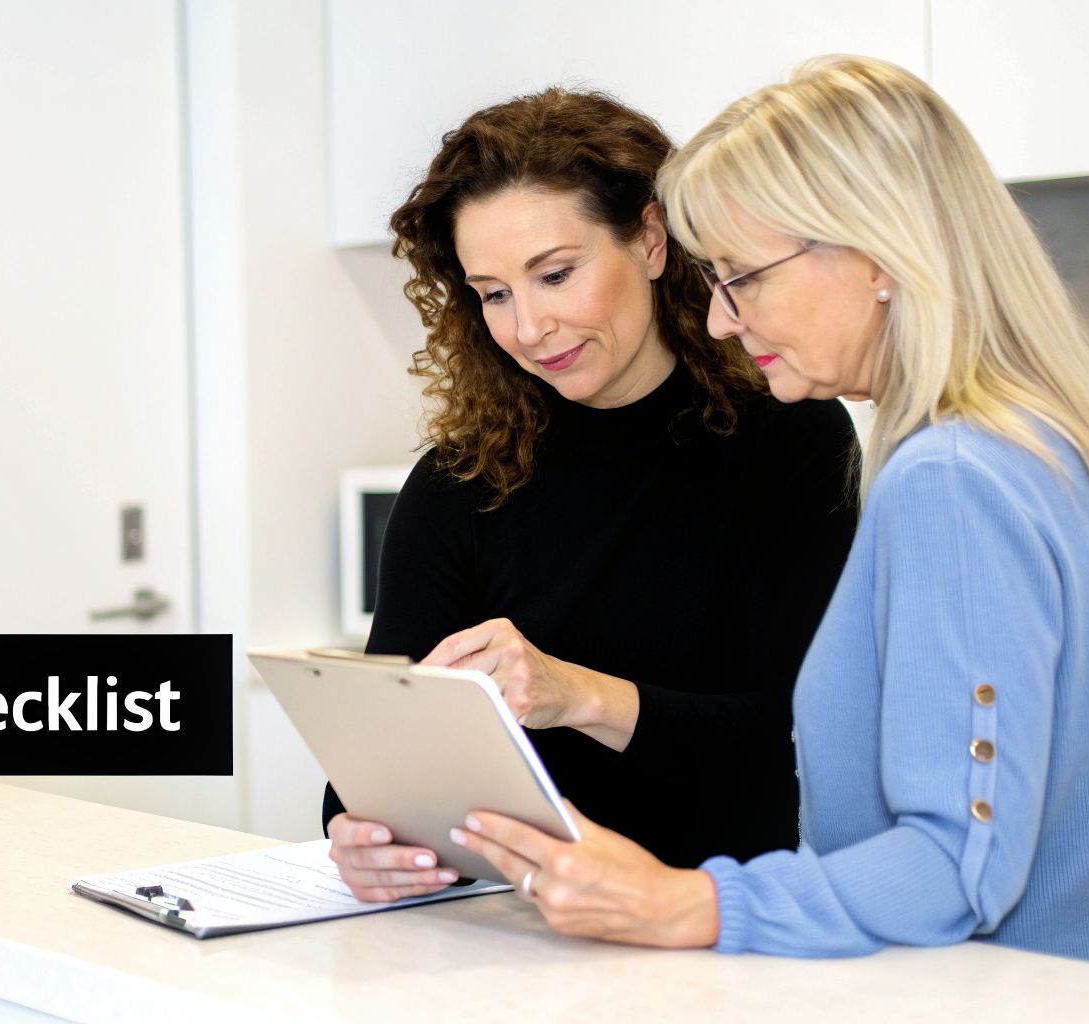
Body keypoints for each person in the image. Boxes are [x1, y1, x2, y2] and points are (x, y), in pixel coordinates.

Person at [449, 55, 1089, 972]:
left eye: (742, 276)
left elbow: (957, 865)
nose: (720, 319)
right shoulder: (1048, 441)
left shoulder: (954, 478)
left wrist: (682, 900)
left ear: (876, 255)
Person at [323, 88, 861, 901]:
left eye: (556, 275)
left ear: (650, 240)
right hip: (510, 921)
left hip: (718, 918)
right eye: (494, 293)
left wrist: (576, 694)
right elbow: (371, 769)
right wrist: (358, 837)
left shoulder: (790, 438)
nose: (528, 327)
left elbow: (791, 738)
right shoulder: (457, 481)